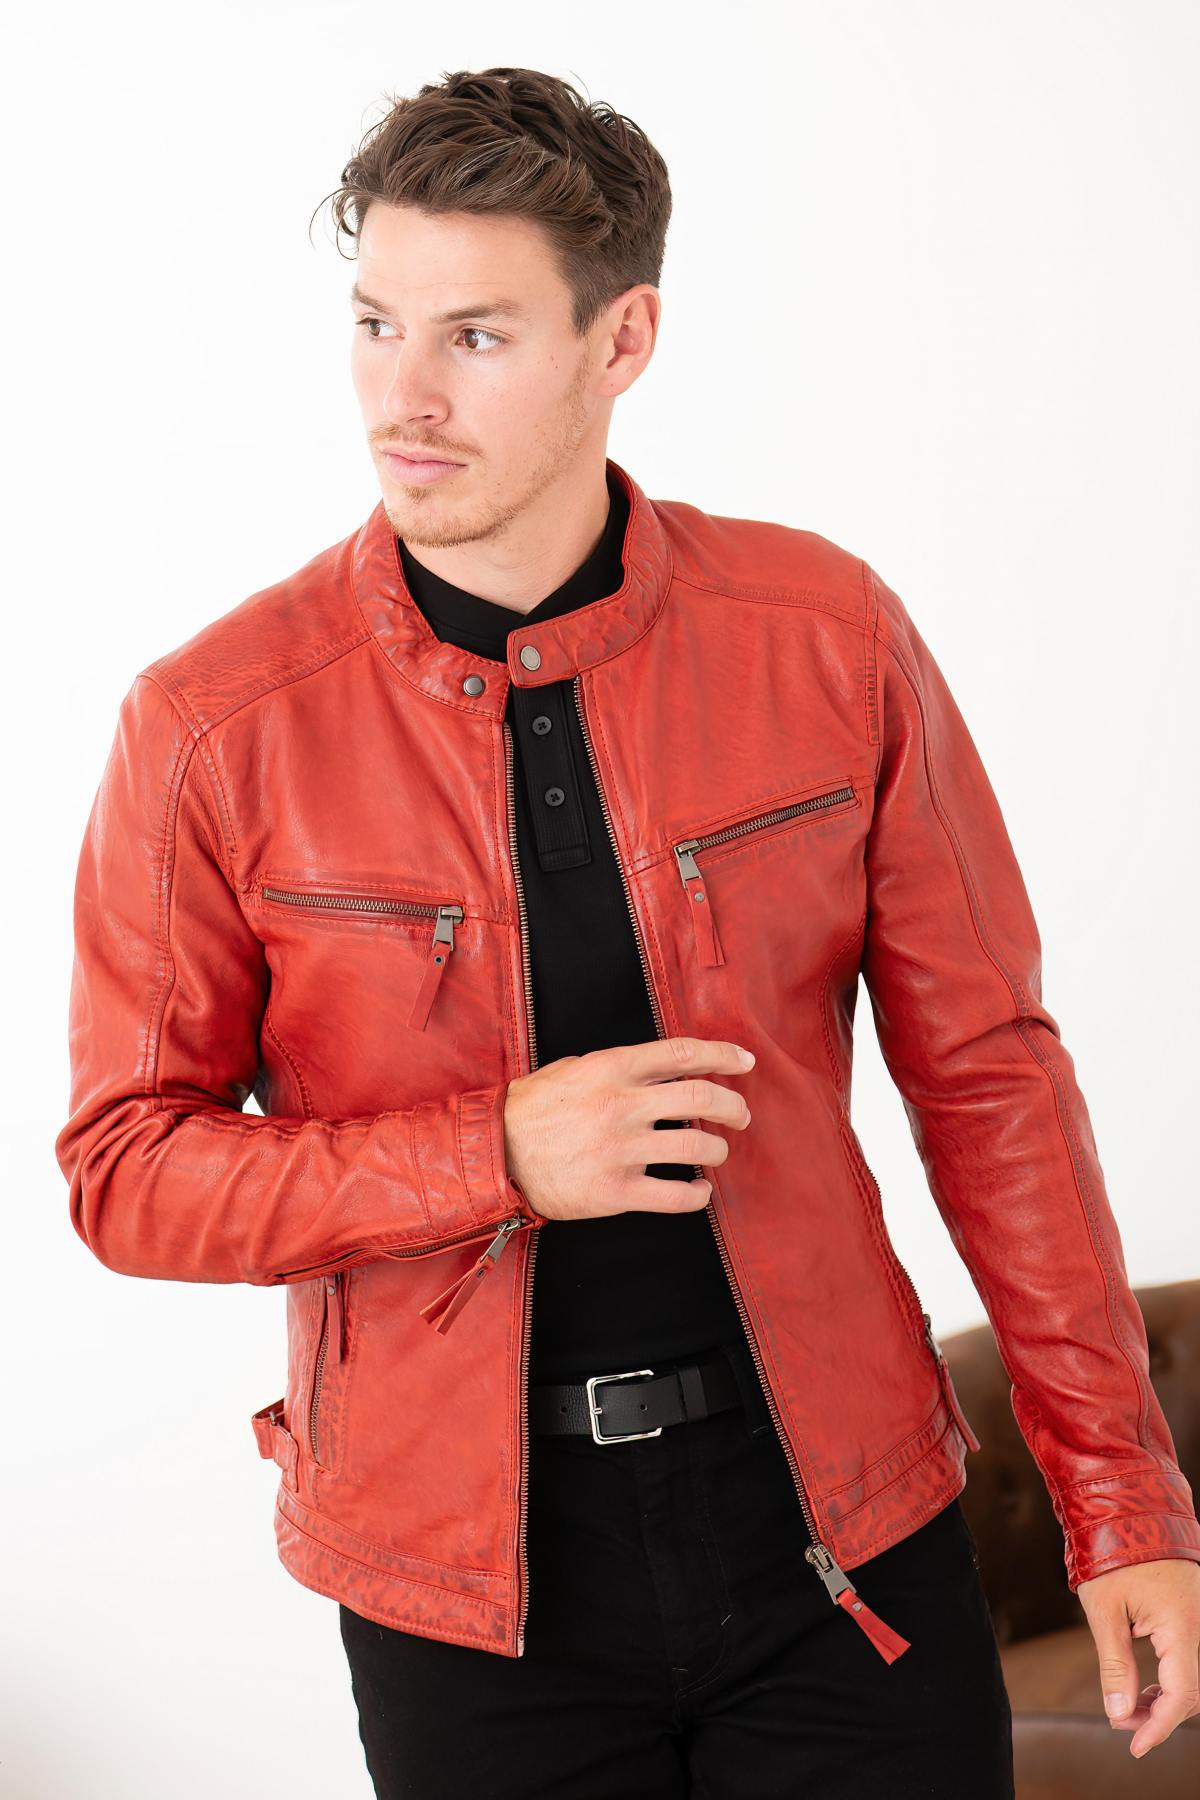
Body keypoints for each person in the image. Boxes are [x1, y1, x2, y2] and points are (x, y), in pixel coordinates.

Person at [55, 64, 1200, 1799]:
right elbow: (127, 1170)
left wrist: (1121, 1501)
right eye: (375, 324)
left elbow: (992, 1081)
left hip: (843, 1534)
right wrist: (496, 1152)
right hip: (464, 1595)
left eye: (476, 336)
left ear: (625, 337)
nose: (404, 396)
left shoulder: (826, 636)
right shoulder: (215, 724)